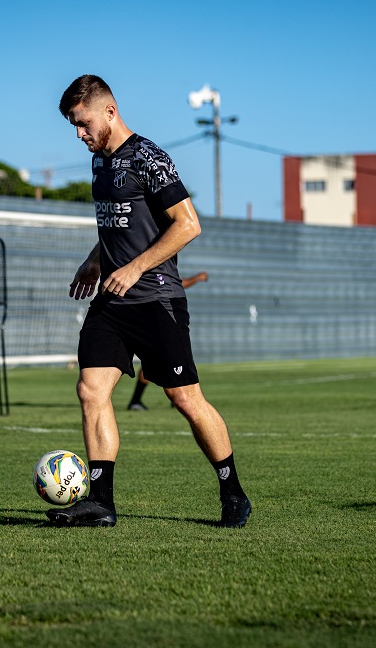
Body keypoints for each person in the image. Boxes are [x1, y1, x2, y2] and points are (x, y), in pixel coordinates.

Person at [51, 75, 250, 528]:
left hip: (156, 298)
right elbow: (121, 225)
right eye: (73, 126)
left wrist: (136, 267)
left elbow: (187, 224)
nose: (79, 134)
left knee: (185, 399)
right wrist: (94, 259)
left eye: (83, 124)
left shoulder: (148, 157)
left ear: (109, 111)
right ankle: (100, 503)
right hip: (112, 301)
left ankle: (233, 492)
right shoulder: (101, 164)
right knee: (91, 390)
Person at [128, 271, 208, 411]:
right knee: (168, 359)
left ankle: (140, 400)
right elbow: (174, 283)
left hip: (149, 318)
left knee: (158, 362)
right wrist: (197, 278)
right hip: (155, 320)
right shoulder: (150, 269)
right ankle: (175, 395)